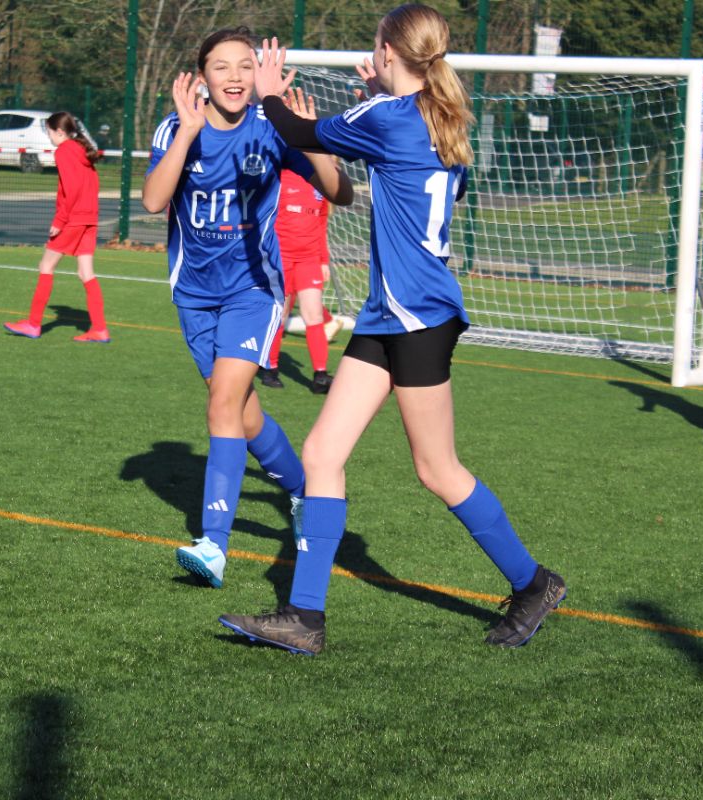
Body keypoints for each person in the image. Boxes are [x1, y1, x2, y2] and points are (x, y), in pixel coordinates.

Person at [219, 5, 566, 655]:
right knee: (323, 454)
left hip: (417, 318)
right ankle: (305, 618)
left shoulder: (387, 117)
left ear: (386, 53)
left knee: (438, 470)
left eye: (376, 48)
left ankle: (534, 582)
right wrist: (378, 98)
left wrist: (267, 93)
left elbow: (295, 128)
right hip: (394, 313)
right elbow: (416, 176)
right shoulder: (440, 119)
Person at [141, 26, 353, 588]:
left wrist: (307, 138)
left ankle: (214, 545)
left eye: (244, 66)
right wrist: (187, 134)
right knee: (243, 411)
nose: (234, 76)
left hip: (254, 290)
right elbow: (154, 200)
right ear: (201, 77)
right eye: (221, 67)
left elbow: (341, 191)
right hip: (193, 293)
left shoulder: (270, 126)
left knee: (222, 404)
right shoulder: (175, 127)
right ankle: (305, 491)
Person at [4, 111, 110, 343]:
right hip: (89, 218)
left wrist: (60, 221)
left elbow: (71, 190)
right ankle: (100, 329)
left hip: (73, 219)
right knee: (85, 272)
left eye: (49, 132)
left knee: (46, 265)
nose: (49, 137)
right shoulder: (82, 149)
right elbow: (91, 187)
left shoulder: (64, 151)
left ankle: (33, 324)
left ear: (59, 132)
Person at [261, 156, 335, 394]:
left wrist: (324, 259)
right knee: (280, 314)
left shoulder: (320, 182)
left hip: (310, 258)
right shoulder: (280, 176)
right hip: (281, 257)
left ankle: (320, 376)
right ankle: (270, 368)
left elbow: (322, 222)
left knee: (313, 314)